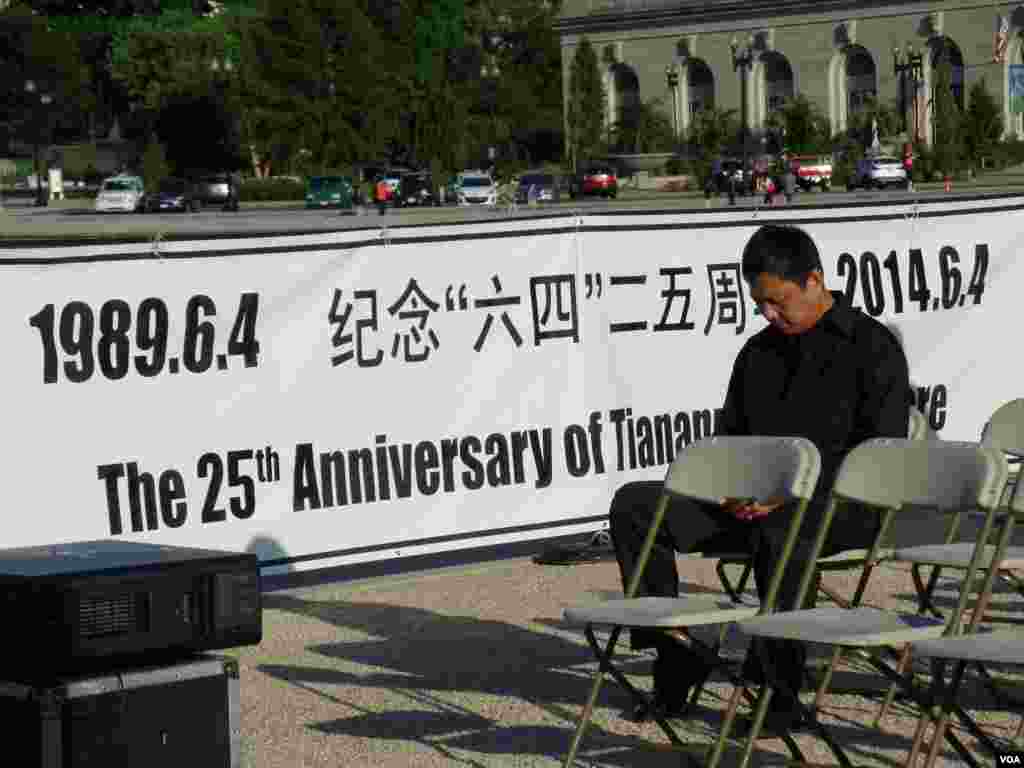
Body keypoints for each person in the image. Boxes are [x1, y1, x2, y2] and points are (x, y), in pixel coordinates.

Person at [609, 224, 909, 736]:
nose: (769, 313)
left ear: (814, 280)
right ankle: (676, 652)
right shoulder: (758, 353)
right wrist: (727, 489)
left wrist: (788, 491)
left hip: (841, 507)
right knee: (636, 505)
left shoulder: (872, 347)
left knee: (784, 526)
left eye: (778, 301)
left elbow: (881, 454)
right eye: (760, 304)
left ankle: (781, 690)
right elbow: (728, 438)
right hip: (750, 506)